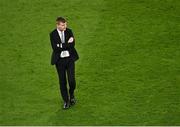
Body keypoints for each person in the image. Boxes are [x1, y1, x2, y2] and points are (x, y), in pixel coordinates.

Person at [49, 17, 79, 109]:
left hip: (70, 59)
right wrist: (66, 44)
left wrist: (61, 45)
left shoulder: (69, 31)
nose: (65, 26)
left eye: (65, 24)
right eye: (63, 25)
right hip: (59, 61)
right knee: (62, 82)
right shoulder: (52, 34)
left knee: (72, 81)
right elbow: (55, 48)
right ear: (57, 25)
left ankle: (72, 94)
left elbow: (72, 44)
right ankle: (66, 101)